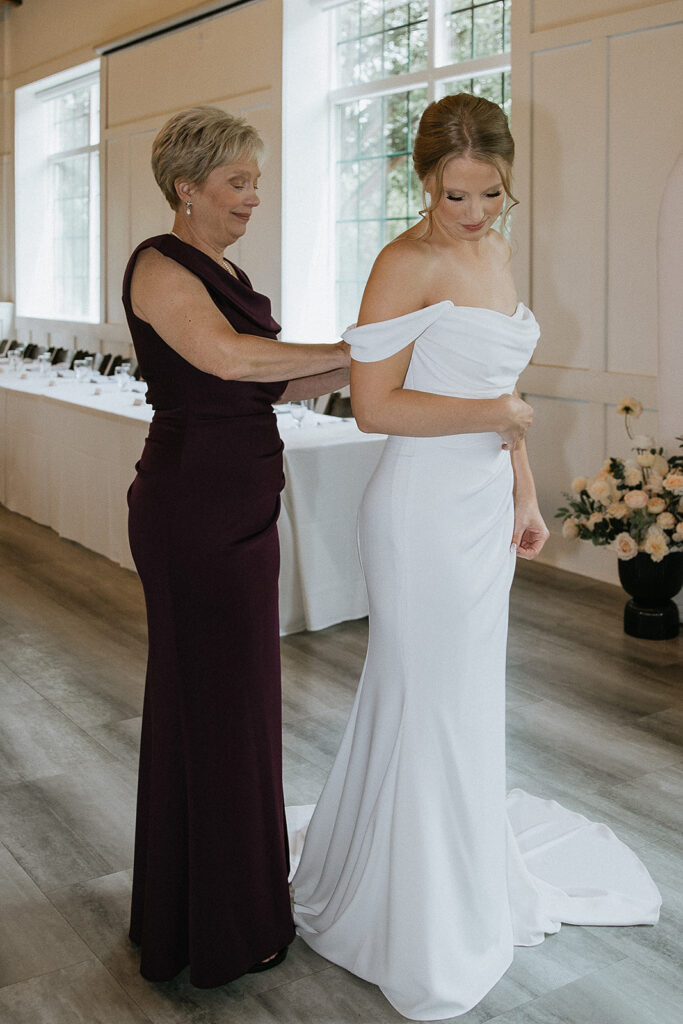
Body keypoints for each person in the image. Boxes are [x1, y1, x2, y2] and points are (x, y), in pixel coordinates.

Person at [289, 94, 661, 1020]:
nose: (473, 213)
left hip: (481, 501)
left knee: (459, 702)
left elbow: (502, 389)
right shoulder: (401, 263)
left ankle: (446, 871)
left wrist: (522, 489)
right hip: (416, 507)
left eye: (490, 194)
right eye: (454, 195)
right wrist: (496, 420)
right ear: (421, 181)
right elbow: (376, 409)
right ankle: (415, 915)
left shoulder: (492, 250)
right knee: (426, 698)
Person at [122, 106, 349, 987]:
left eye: (255, 181)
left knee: (238, 709)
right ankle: (213, 925)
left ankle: (218, 907)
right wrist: (354, 345)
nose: (254, 198)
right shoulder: (158, 263)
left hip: (240, 502)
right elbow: (225, 359)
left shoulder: (222, 264)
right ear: (187, 188)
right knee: (213, 709)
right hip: (194, 511)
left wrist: (374, 359)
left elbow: (278, 375)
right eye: (238, 183)